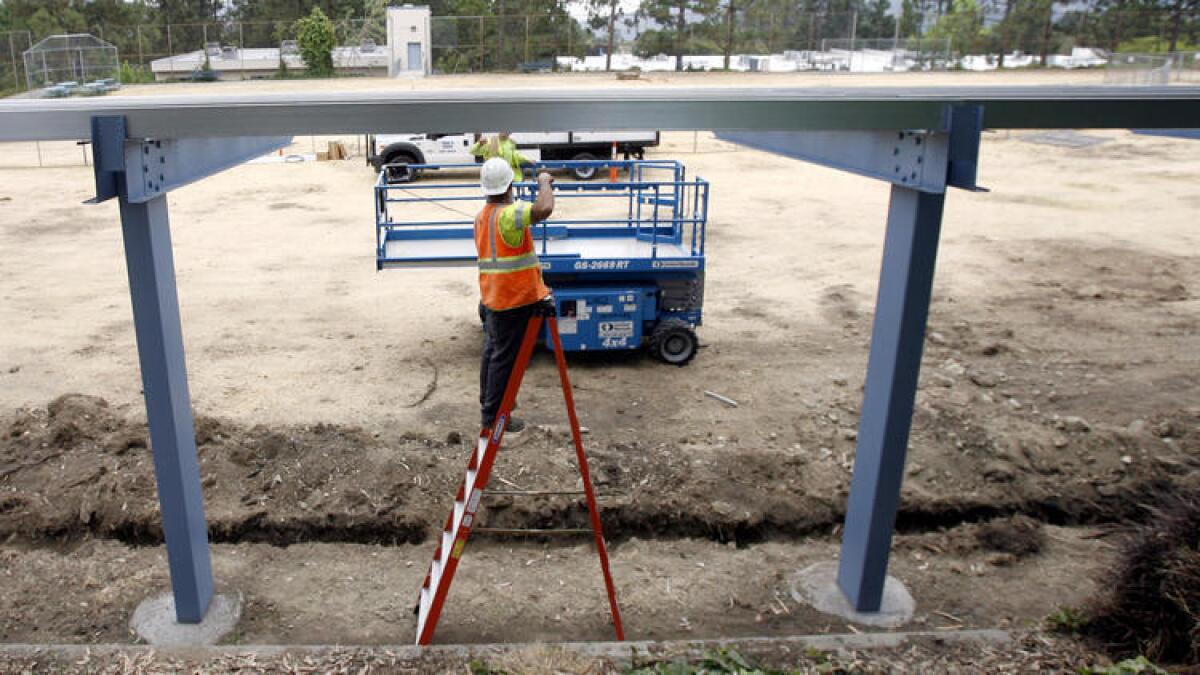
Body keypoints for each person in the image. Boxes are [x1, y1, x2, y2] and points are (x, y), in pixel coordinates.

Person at [475, 157, 556, 434]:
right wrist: (544, 182)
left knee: (493, 353)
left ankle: (489, 405)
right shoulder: (510, 214)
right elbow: (544, 208)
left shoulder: (483, 216)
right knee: (504, 359)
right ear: (510, 184)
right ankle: (494, 416)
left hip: (493, 297)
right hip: (513, 299)